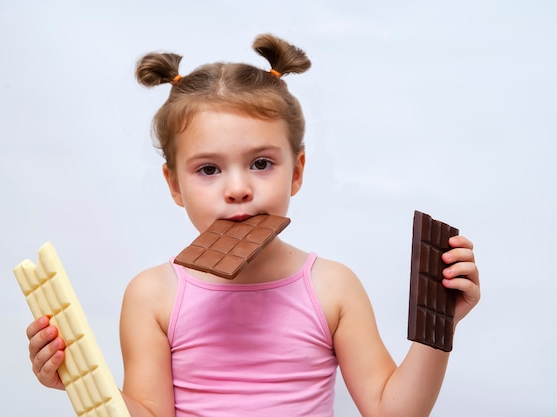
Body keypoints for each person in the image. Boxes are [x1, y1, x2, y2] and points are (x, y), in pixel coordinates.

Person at [25, 33, 481, 417]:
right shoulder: (153, 296)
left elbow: (391, 411)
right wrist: (79, 379)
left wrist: (440, 324)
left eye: (261, 163)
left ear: (297, 171)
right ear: (174, 184)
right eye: (209, 170)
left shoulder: (333, 288)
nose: (238, 189)